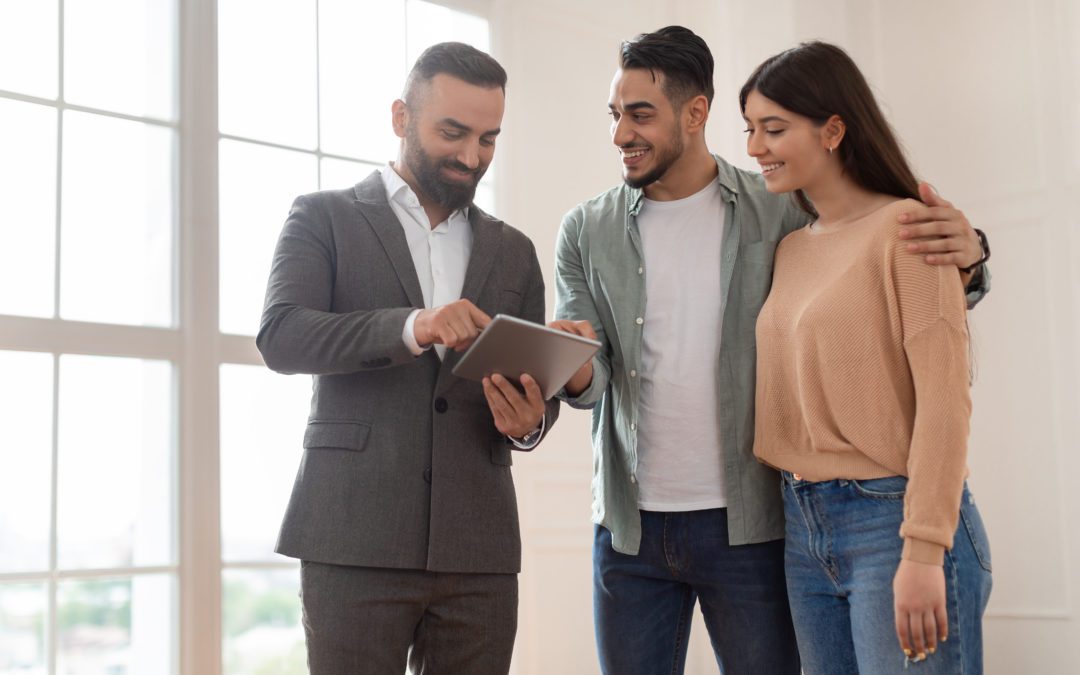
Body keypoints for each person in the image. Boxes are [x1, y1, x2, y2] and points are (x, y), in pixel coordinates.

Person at [549, 26, 990, 675]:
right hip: (697, 525)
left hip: (791, 521)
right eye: (615, 115)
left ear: (694, 112)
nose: (621, 134)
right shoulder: (593, 231)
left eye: (639, 114)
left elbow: (936, 366)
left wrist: (972, 255)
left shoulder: (781, 212)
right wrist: (572, 364)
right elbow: (592, 382)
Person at [257, 42, 559, 675]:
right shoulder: (323, 218)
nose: (471, 156)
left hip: (479, 547)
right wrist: (414, 327)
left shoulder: (515, 251)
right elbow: (283, 336)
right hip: (352, 535)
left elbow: (535, 393)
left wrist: (530, 420)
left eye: (488, 139)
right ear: (401, 117)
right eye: (452, 132)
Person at [744, 41, 992, 673]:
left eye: (774, 129)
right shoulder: (791, 251)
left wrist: (924, 548)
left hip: (893, 521)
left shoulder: (908, 229)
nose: (755, 148)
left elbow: (943, 398)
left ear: (833, 129)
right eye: (749, 129)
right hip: (802, 525)